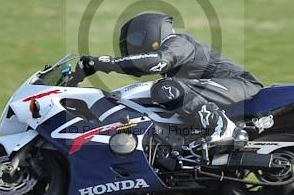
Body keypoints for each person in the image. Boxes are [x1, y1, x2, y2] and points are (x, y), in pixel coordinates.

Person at [80, 12, 262, 148]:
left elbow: (157, 61)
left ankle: (223, 129)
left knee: (165, 88)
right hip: (225, 91)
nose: (130, 47)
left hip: (241, 85)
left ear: (150, 31)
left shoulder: (179, 42)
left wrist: (106, 63)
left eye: (135, 39)